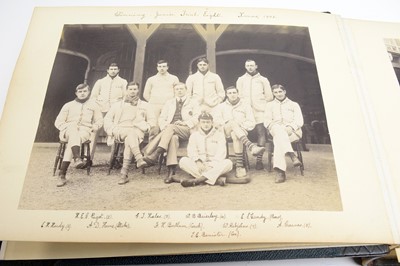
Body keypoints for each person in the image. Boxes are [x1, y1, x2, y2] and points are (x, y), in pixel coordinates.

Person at [143, 82, 200, 182]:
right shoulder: (169, 102)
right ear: (174, 91)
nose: (179, 91)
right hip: (170, 132)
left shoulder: (193, 102)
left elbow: (197, 117)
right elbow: (162, 118)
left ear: (186, 90)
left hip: (186, 130)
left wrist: (184, 123)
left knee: (171, 127)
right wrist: (165, 126)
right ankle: (171, 172)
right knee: (173, 138)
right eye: (177, 89)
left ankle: (155, 153)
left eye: (181, 89)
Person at [104, 82, 156, 185]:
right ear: (126, 90)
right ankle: (139, 158)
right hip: (119, 129)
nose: (132, 91)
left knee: (130, 138)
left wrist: (146, 127)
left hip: (136, 130)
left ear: (138, 90)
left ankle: (124, 175)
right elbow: (107, 119)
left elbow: (152, 120)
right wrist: (111, 129)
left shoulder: (145, 105)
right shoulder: (117, 104)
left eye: (135, 89)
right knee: (130, 134)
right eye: (130, 89)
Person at [54, 83, 103, 187]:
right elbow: (58, 122)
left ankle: (62, 174)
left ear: (89, 92)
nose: (82, 93)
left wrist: (94, 127)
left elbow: (99, 120)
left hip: (84, 131)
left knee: (73, 140)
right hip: (66, 131)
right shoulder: (68, 105)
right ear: (76, 93)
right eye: (80, 92)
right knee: (72, 130)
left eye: (85, 91)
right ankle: (77, 158)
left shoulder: (94, 105)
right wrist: (67, 127)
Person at [213, 86, 265, 178]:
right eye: (229, 93)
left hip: (241, 132)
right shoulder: (221, 106)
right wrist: (229, 123)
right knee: (232, 123)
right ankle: (251, 146)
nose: (232, 95)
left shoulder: (245, 106)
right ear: (226, 94)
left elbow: (251, 122)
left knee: (235, 134)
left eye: (234, 93)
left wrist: (239, 126)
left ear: (238, 93)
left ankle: (239, 167)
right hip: (225, 131)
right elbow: (216, 121)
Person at [236, 59, 273, 170]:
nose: (250, 67)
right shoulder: (241, 80)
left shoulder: (263, 80)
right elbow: (239, 95)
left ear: (256, 66)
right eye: (248, 65)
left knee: (261, 133)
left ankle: (259, 160)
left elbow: (269, 96)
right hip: (246, 111)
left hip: (259, 110)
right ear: (245, 66)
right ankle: (241, 161)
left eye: (252, 65)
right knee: (241, 132)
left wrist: (262, 106)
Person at [179, 112, 233, 187]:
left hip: (215, 165)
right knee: (183, 161)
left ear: (212, 123)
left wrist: (211, 166)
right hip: (200, 165)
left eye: (208, 122)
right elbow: (191, 151)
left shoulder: (219, 135)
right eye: (203, 122)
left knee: (228, 163)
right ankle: (215, 179)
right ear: (199, 123)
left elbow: (221, 153)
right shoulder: (194, 135)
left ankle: (198, 180)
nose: (206, 124)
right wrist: (198, 162)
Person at [264, 84, 304, 183]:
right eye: (276, 92)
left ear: (284, 91)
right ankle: (292, 155)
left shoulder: (294, 104)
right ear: (273, 94)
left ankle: (280, 172)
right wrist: (275, 126)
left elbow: (300, 120)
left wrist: (291, 127)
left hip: (293, 132)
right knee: (278, 130)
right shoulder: (269, 105)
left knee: (279, 142)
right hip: (276, 129)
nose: (278, 94)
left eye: (280, 91)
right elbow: (267, 121)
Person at [90, 62, 128, 160]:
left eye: (115, 69)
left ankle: (115, 159)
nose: (113, 71)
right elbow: (93, 96)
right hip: (102, 109)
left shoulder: (123, 82)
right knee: (94, 131)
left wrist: (120, 107)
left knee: (115, 132)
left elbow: (125, 97)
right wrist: (98, 104)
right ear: (107, 70)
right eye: (111, 69)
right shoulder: (100, 82)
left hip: (115, 110)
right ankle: (89, 158)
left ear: (118, 70)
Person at [142, 60, 179, 139]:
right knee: (154, 124)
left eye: (164, 66)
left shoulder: (174, 78)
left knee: (166, 124)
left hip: (168, 105)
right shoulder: (151, 79)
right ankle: (151, 146)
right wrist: (152, 102)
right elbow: (145, 94)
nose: (162, 68)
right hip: (154, 105)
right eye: (160, 66)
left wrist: (171, 103)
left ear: (167, 67)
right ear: (157, 67)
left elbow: (177, 92)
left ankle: (164, 145)